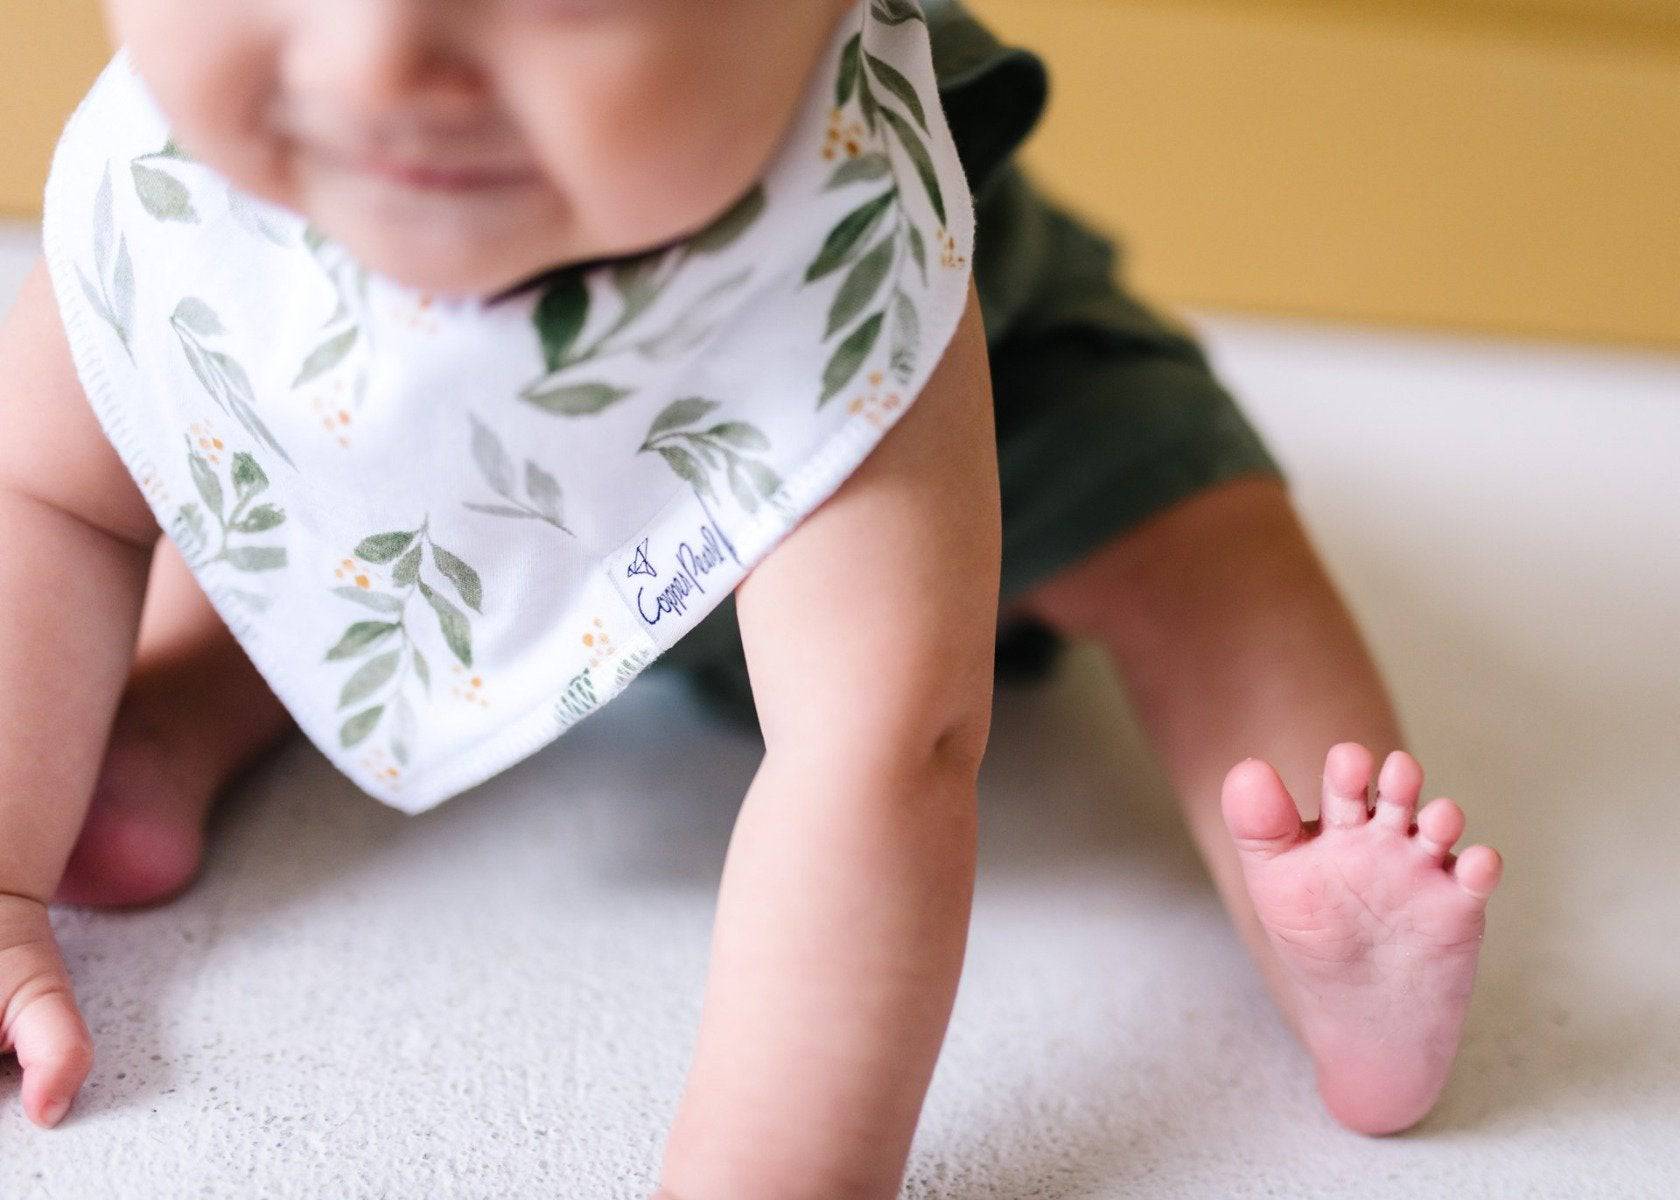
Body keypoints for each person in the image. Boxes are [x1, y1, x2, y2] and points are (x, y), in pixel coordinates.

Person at [0, 0, 1502, 1194]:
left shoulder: (837, 253)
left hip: (976, 453)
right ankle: (179, 704)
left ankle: (1332, 920)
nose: (381, 56)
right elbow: (49, 498)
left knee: (1203, 548)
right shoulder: (192, 184)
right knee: (272, 487)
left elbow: (881, 757)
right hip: (470, 498)